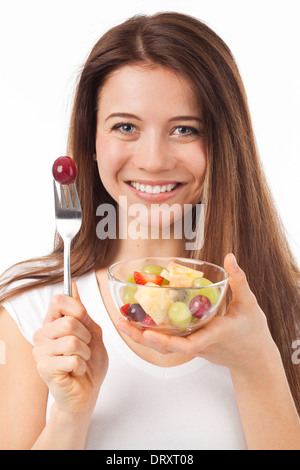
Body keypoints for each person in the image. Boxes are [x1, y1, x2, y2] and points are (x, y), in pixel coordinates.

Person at [0, 12, 299, 451]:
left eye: (184, 129)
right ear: (93, 141)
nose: (154, 160)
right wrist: (71, 415)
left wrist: (258, 364)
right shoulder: (30, 310)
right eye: (126, 127)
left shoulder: (288, 305)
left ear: (224, 143)